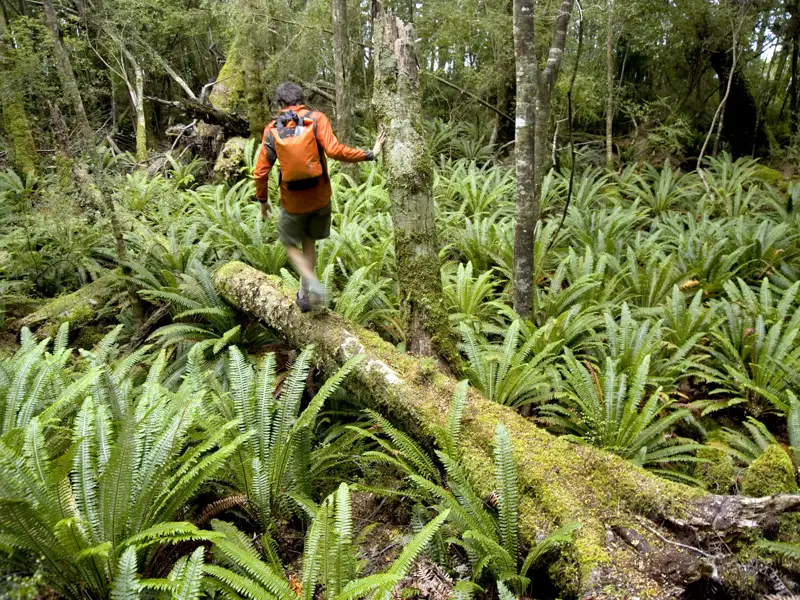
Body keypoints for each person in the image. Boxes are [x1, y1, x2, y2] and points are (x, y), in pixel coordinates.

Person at [254, 82, 385, 312]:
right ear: (302, 99)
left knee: (287, 242)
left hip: (293, 202)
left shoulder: (272, 129)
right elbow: (335, 151)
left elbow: (261, 171)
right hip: (321, 198)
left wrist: (263, 201)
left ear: (281, 104)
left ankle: (310, 281)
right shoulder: (317, 119)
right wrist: (370, 153)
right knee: (309, 241)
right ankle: (305, 293)